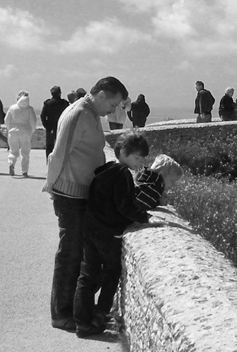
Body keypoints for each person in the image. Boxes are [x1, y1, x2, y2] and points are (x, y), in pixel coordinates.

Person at [43, 76, 127, 332]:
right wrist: (51, 185)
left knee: (81, 255)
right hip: (70, 194)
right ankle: (61, 314)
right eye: (113, 103)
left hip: (79, 193)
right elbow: (59, 153)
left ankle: (79, 310)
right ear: (102, 94)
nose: (113, 110)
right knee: (70, 255)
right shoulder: (79, 113)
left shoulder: (89, 113)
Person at [73, 131, 153, 338]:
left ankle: (82, 321)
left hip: (90, 229)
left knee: (87, 275)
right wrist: (145, 218)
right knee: (112, 271)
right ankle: (100, 313)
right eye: (137, 158)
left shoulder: (104, 170)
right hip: (107, 233)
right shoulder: (123, 174)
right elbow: (124, 205)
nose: (139, 163)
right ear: (124, 153)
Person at [5, 90, 39, 177]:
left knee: (13, 151)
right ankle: (24, 171)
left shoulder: (12, 108)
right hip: (26, 132)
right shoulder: (30, 109)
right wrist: (31, 131)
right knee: (25, 153)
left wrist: (10, 129)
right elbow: (33, 121)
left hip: (13, 131)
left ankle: (11, 162)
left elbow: (7, 120)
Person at [41, 85, 69, 157]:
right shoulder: (65, 103)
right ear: (60, 93)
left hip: (50, 127)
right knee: (61, 145)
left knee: (49, 147)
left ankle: (49, 162)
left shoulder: (48, 103)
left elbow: (43, 116)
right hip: (62, 126)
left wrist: (46, 126)